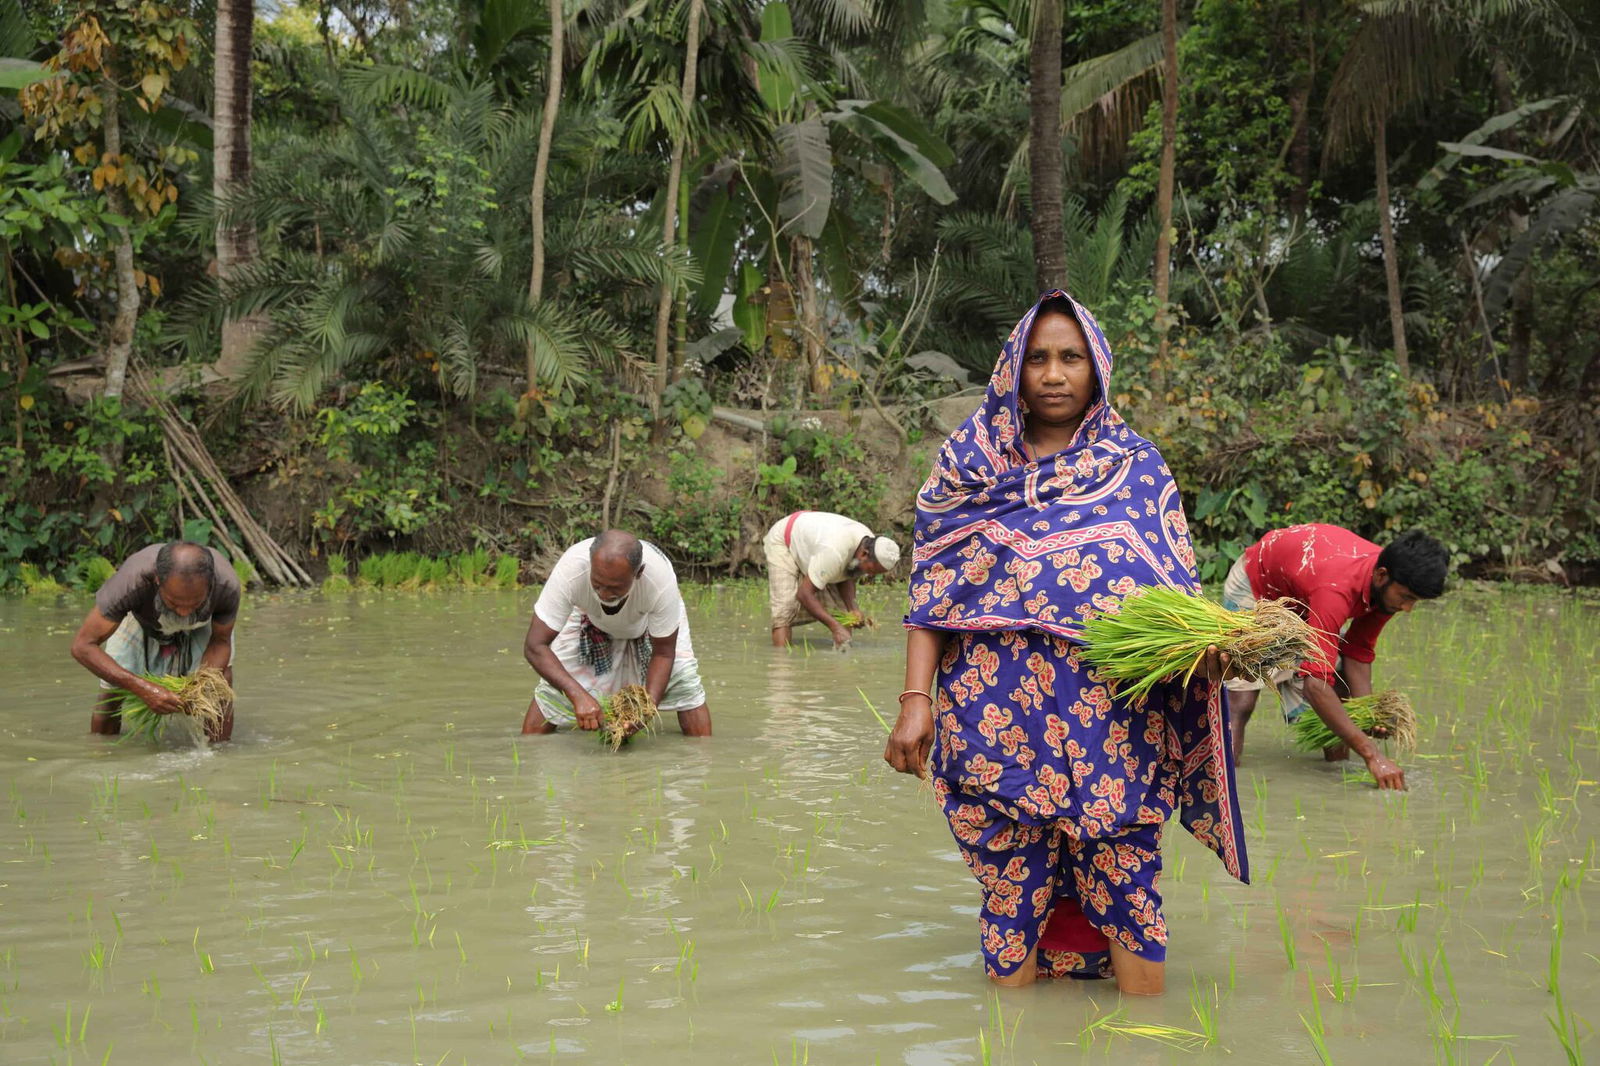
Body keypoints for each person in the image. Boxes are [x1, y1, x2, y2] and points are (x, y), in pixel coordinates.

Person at [884, 291, 1247, 996]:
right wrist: (914, 701)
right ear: (1012, 370)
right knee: (1011, 889)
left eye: (1071, 358)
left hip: (1112, 719)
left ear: (1098, 368)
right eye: (1038, 358)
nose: (1054, 374)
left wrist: (1211, 650)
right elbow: (932, 593)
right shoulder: (969, 463)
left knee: (1128, 882)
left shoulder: (1136, 466)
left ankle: (1148, 1039)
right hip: (996, 717)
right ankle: (1013, 1035)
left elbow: (1175, 595)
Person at [1222, 524, 1447, 789]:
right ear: (1381, 575)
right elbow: (1315, 687)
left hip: (1305, 599)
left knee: (1339, 688)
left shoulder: (1387, 588)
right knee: (1242, 697)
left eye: (1415, 601)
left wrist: (1367, 713)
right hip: (1259, 586)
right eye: (1406, 597)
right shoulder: (1337, 589)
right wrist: (1372, 755)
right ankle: (1225, 786)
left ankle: (1335, 775)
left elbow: (1358, 652)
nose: (1407, 608)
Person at [520, 529, 712, 737]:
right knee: (552, 695)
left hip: (648, 620)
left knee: (684, 682)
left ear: (638, 573)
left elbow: (664, 653)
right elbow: (534, 646)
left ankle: (702, 760)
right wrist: (577, 695)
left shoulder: (659, 581)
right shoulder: (571, 570)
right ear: (590, 565)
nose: (603, 594)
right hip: (588, 617)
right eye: (598, 584)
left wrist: (646, 709)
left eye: (615, 587)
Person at [69, 541, 240, 742]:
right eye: (174, 602)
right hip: (143, 619)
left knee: (220, 684)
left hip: (203, 624)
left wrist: (199, 688)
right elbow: (82, 646)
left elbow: (220, 641)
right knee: (112, 690)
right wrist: (141, 687)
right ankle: (100, 750)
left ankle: (219, 756)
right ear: (157, 580)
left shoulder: (226, 586)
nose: (184, 612)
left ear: (211, 585)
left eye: (194, 603)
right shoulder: (132, 582)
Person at [763, 510, 900, 649]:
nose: (870, 575)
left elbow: (848, 574)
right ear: (864, 554)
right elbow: (804, 594)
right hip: (784, 539)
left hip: (815, 544)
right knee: (785, 608)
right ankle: (781, 662)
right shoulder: (834, 552)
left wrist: (853, 608)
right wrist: (834, 627)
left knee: (844, 611)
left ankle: (843, 661)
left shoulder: (868, 543)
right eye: (871, 570)